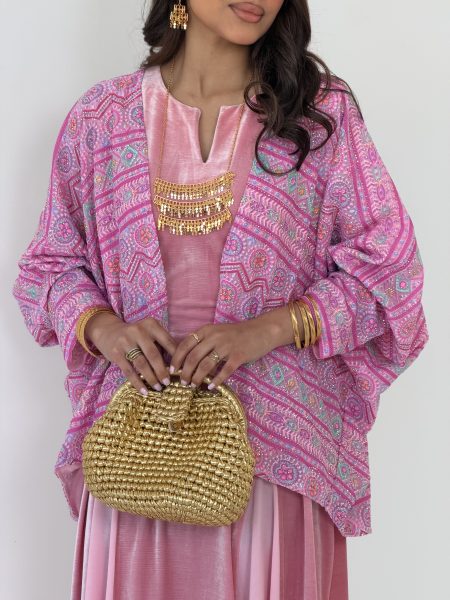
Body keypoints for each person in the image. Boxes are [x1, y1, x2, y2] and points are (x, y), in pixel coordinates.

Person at [12, 0, 429, 598]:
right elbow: (49, 265)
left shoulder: (317, 118)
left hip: (273, 465)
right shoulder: (101, 119)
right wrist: (105, 328)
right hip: (137, 455)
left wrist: (272, 328)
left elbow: (392, 269)